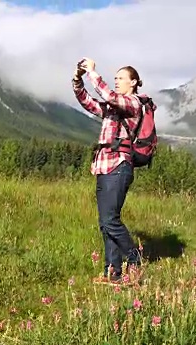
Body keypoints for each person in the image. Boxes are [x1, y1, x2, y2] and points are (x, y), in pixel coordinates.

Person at [72, 58, 143, 285]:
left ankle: (134, 259)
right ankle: (112, 273)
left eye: (121, 78)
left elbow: (109, 96)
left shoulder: (133, 103)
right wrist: (78, 79)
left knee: (111, 220)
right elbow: (88, 102)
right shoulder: (112, 108)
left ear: (133, 82)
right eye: (115, 78)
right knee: (105, 222)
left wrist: (93, 72)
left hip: (119, 166)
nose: (117, 81)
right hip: (104, 166)